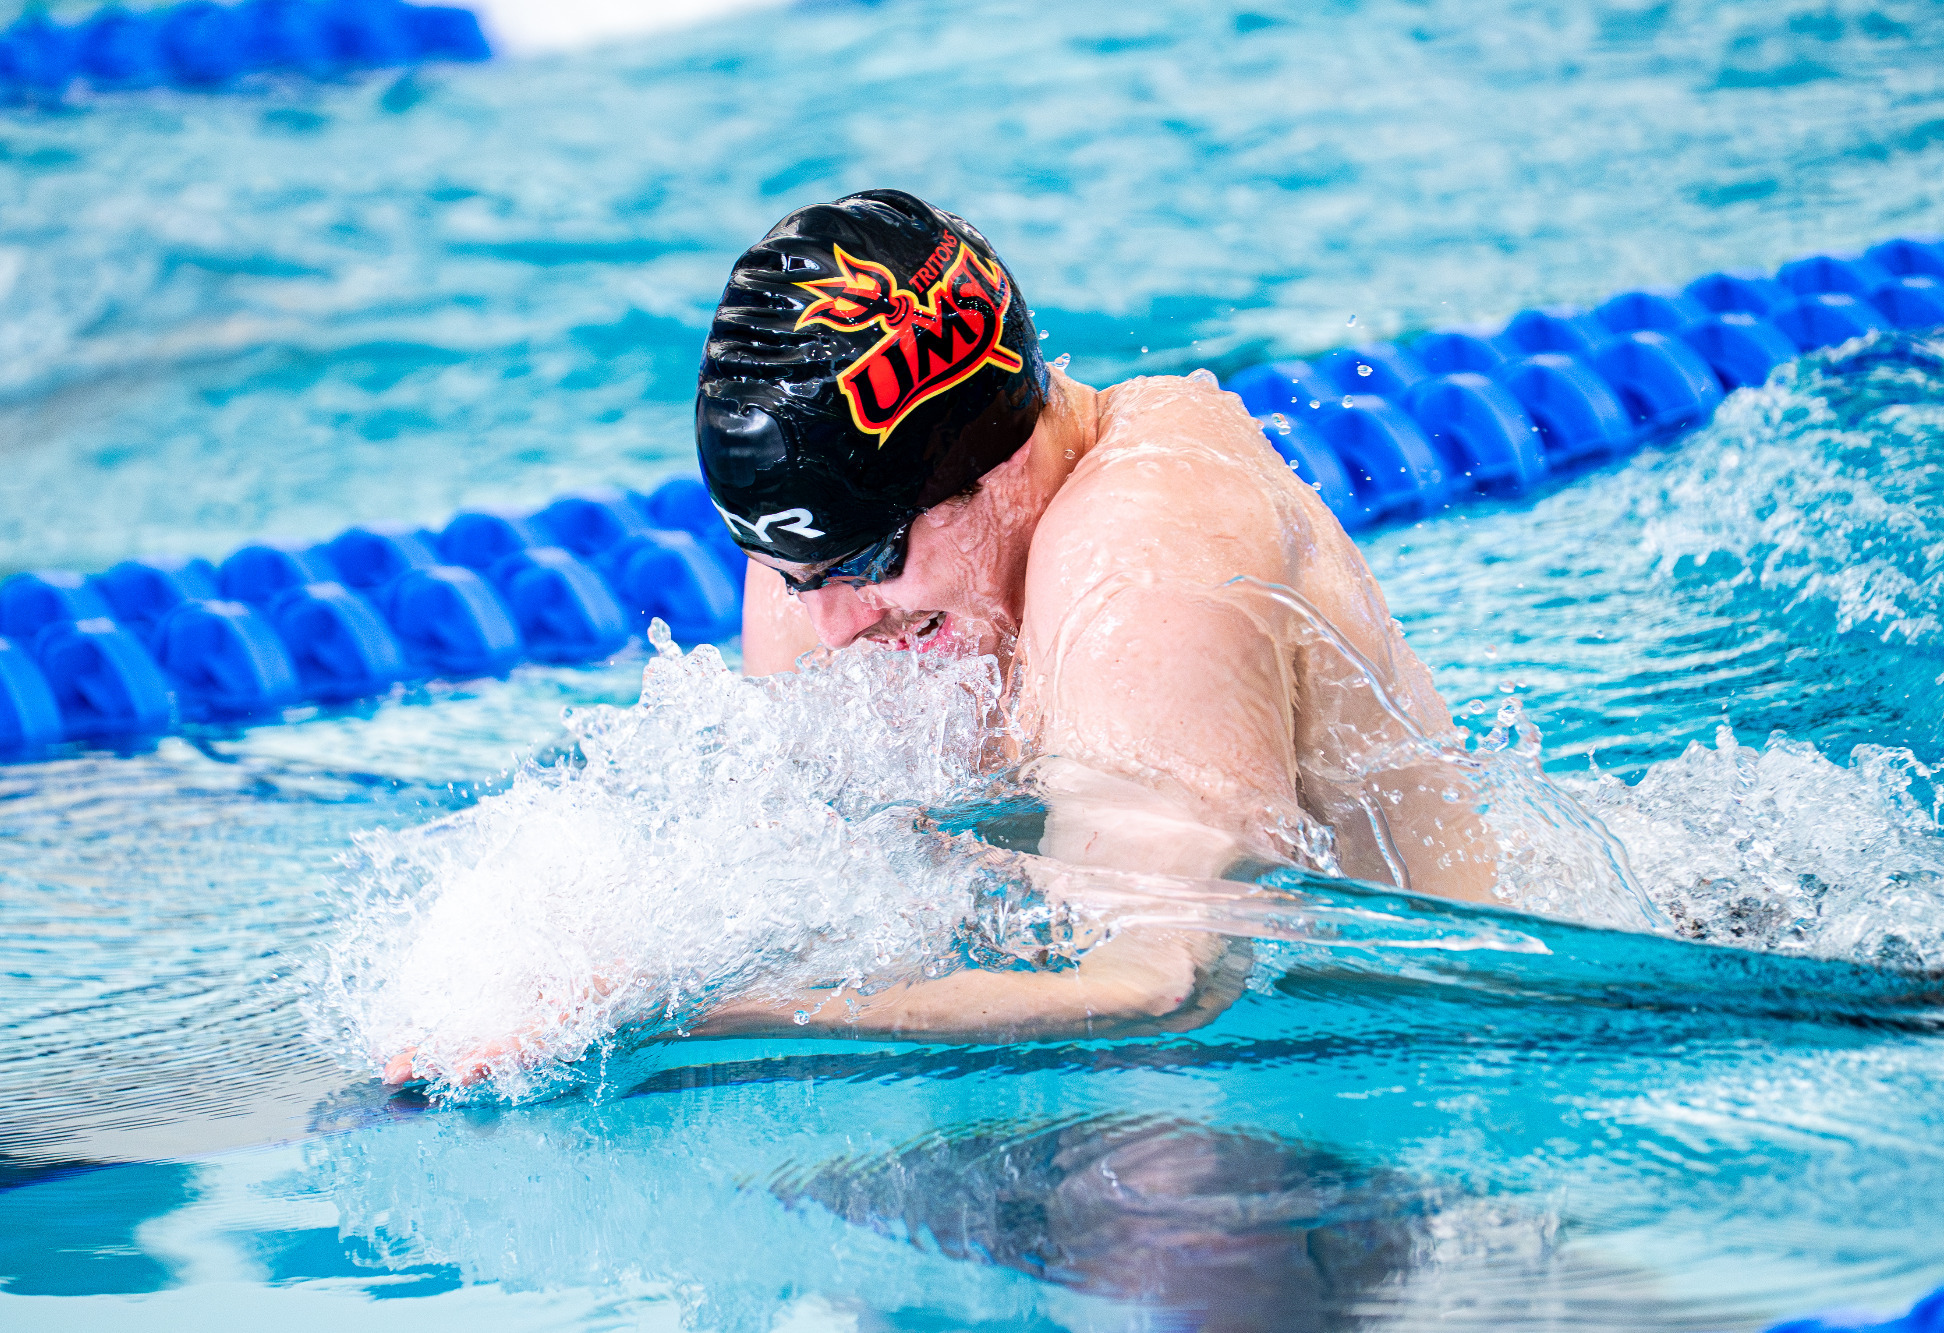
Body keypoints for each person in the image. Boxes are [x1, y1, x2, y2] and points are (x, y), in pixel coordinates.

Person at [383, 189, 1493, 1088]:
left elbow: (1160, 984)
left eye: (866, 565)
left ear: (999, 465)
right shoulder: (831, 577)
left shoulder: (1146, 565)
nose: (826, 623)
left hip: (1423, 1051)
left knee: (1167, 1220)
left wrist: (664, 1008)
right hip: (1185, 1042)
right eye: (786, 572)